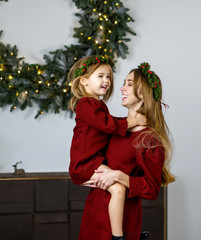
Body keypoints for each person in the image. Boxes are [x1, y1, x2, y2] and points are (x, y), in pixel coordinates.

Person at [76, 62, 175, 240]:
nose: (121, 88)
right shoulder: (114, 127)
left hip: (121, 224)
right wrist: (85, 175)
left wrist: (118, 176)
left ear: (143, 93)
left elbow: (152, 190)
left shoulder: (149, 140)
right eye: (124, 83)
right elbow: (87, 151)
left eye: (129, 84)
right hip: (93, 215)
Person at [68, 55, 146, 240]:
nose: (106, 81)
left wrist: (131, 122)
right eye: (100, 76)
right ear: (84, 81)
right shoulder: (86, 104)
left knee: (120, 188)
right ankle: (118, 236)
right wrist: (134, 121)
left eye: (109, 77)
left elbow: (109, 123)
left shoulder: (98, 105)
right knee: (118, 189)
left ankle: (125, 231)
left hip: (93, 161)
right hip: (85, 163)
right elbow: (108, 126)